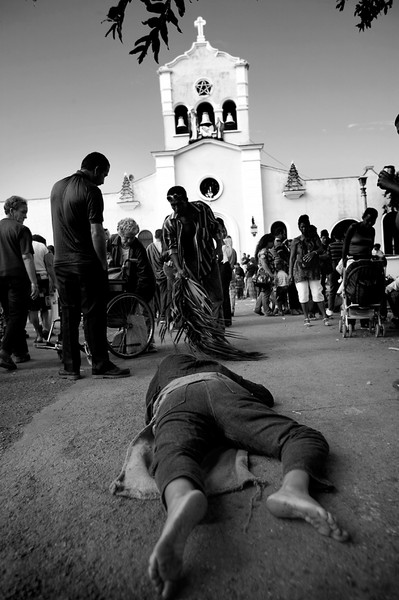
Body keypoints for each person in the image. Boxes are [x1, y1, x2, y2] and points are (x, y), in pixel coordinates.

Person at [145, 353, 349, 599]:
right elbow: (264, 395)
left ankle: (180, 497)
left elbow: (149, 410)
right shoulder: (217, 367)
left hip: (175, 398)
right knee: (298, 436)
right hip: (223, 390)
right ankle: (294, 488)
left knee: (172, 452)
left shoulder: (166, 366)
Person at [50, 152, 130, 380]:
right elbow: (96, 231)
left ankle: (70, 367)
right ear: (96, 169)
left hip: (61, 262)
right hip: (84, 262)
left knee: (68, 315)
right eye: (104, 174)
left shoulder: (56, 187)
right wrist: (103, 264)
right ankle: (101, 365)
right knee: (94, 315)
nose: (104, 179)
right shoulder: (91, 190)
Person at [162, 186, 224, 323]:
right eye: (173, 205)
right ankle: (200, 335)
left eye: (179, 204)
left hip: (208, 260)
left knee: (216, 298)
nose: (176, 208)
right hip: (187, 266)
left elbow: (215, 228)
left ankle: (216, 334)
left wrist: (219, 248)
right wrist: (179, 269)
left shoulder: (202, 209)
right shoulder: (169, 223)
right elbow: (172, 249)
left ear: (186, 200)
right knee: (192, 302)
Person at [0, 196, 39, 370]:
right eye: (23, 212)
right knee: (18, 316)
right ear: (11, 210)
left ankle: (20, 352)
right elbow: (26, 257)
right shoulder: (21, 230)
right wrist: (34, 282)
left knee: (10, 316)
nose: (25, 216)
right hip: (16, 278)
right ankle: (5, 351)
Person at [288, 215, 330, 327]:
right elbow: (292, 258)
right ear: (298, 227)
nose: (304, 229)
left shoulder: (314, 238)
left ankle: (324, 316)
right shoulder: (295, 241)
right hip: (299, 271)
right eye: (301, 227)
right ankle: (306, 318)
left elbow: (321, 249)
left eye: (305, 226)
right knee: (303, 294)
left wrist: (314, 253)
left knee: (317, 293)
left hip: (313, 270)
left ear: (308, 225)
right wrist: (290, 274)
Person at [109, 218, 156, 304]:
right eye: (127, 238)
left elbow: (143, 272)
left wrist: (137, 296)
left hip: (132, 283)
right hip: (115, 282)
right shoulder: (111, 241)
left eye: (132, 237)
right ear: (120, 234)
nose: (129, 240)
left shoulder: (139, 247)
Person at [29, 234, 57, 343]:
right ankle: (46, 329)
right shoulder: (42, 246)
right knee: (45, 307)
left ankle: (38, 334)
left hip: (29, 279)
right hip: (43, 278)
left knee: (32, 309)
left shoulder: (22, 245)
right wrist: (54, 281)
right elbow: (50, 266)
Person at [146, 229, 169, 322]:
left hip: (153, 275)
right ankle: (163, 315)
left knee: (156, 296)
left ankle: (157, 314)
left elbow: (147, 262)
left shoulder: (149, 247)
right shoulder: (165, 247)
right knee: (164, 295)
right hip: (164, 274)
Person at [253, 233, 275, 316]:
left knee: (263, 291)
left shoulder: (263, 251)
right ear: (268, 242)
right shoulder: (264, 251)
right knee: (266, 292)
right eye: (272, 242)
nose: (273, 244)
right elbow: (264, 263)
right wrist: (270, 273)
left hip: (263, 274)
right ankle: (267, 311)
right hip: (265, 275)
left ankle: (257, 308)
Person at [326, 232, 345, 317]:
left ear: (334, 237)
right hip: (343, 268)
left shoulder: (330, 246)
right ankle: (343, 307)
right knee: (344, 288)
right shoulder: (344, 245)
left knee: (332, 290)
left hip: (333, 268)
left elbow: (328, 257)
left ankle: (330, 309)